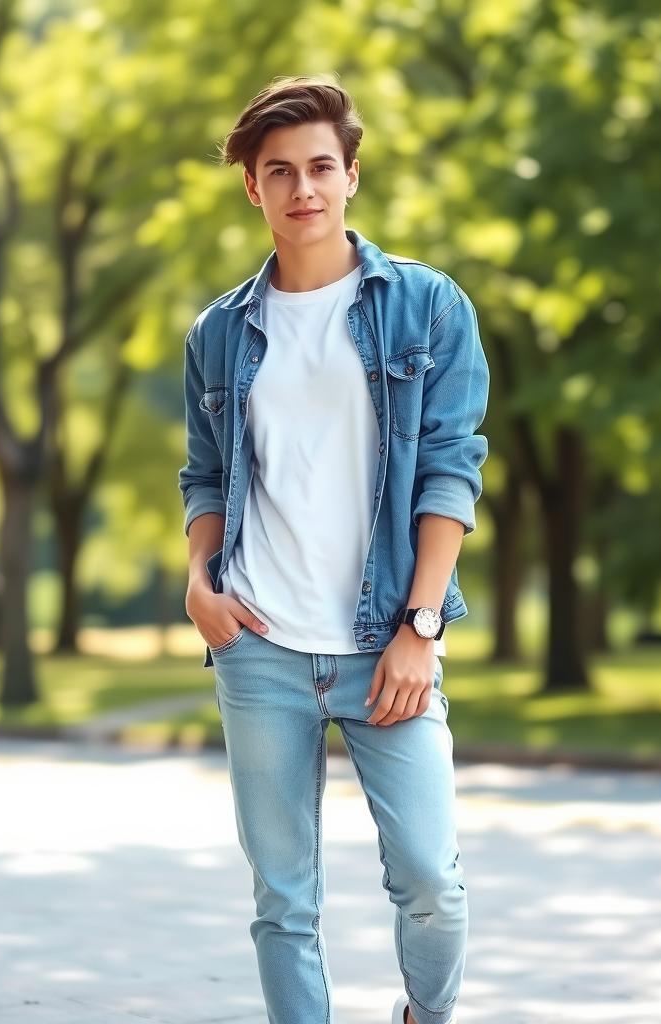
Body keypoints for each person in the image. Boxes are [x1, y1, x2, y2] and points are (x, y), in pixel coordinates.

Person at [179, 73, 489, 1024]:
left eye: (320, 167)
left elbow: (450, 471)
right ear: (254, 189)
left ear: (351, 176)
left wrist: (421, 625)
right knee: (284, 903)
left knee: (432, 881)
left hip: (386, 641)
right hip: (261, 648)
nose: (302, 188)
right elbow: (205, 476)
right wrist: (198, 583)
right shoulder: (220, 333)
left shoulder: (427, 308)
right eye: (281, 173)